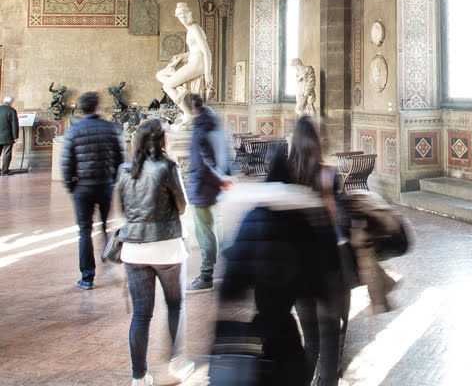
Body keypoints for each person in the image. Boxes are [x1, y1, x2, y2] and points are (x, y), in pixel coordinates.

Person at [217, 148, 338, 386]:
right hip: (287, 335)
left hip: (261, 330)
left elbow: (232, 283)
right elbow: (320, 280)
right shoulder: (303, 220)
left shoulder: (253, 217)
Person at [117, 119, 195, 386]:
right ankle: (176, 363)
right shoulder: (167, 167)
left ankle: (139, 376)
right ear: (162, 140)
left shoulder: (124, 169)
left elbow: (124, 209)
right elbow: (183, 206)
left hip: (134, 250)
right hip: (166, 248)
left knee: (141, 315)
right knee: (176, 306)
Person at [288, 116, 349, 385]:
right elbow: (340, 223)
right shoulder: (328, 174)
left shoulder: (284, 177)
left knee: (310, 342)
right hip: (328, 269)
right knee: (330, 345)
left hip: (298, 271)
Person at [61, 91, 125, 289]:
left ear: (82, 109)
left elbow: (67, 163)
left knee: (84, 231)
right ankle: (107, 262)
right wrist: (112, 180)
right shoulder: (110, 129)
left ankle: (87, 277)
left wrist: (72, 186)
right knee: (105, 226)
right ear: (97, 107)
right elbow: (119, 159)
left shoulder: (73, 131)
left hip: (83, 187)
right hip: (104, 185)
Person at [186, 92, 233, 292]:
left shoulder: (199, 130)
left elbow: (201, 164)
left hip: (204, 187)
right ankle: (234, 268)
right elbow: (226, 152)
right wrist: (225, 177)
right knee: (217, 230)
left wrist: (219, 180)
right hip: (217, 184)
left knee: (205, 231)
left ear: (190, 109)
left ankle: (206, 275)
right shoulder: (216, 124)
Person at [156, 3, 214, 119]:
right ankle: (181, 89)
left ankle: (188, 114)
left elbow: (206, 52)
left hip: (197, 64)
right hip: (193, 61)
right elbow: (194, 50)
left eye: (184, 15)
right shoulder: (190, 29)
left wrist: (207, 74)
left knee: (167, 86)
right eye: (180, 16)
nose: (183, 18)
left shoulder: (195, 28)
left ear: (190, 13)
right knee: (160, 74)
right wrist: (182, 56)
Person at [0, 96, 19, 176]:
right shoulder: (11, 110)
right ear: (11, 102)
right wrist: (15, 136)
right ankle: (4, 171)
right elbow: (14, 124)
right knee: (7, 154)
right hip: (7, 136)